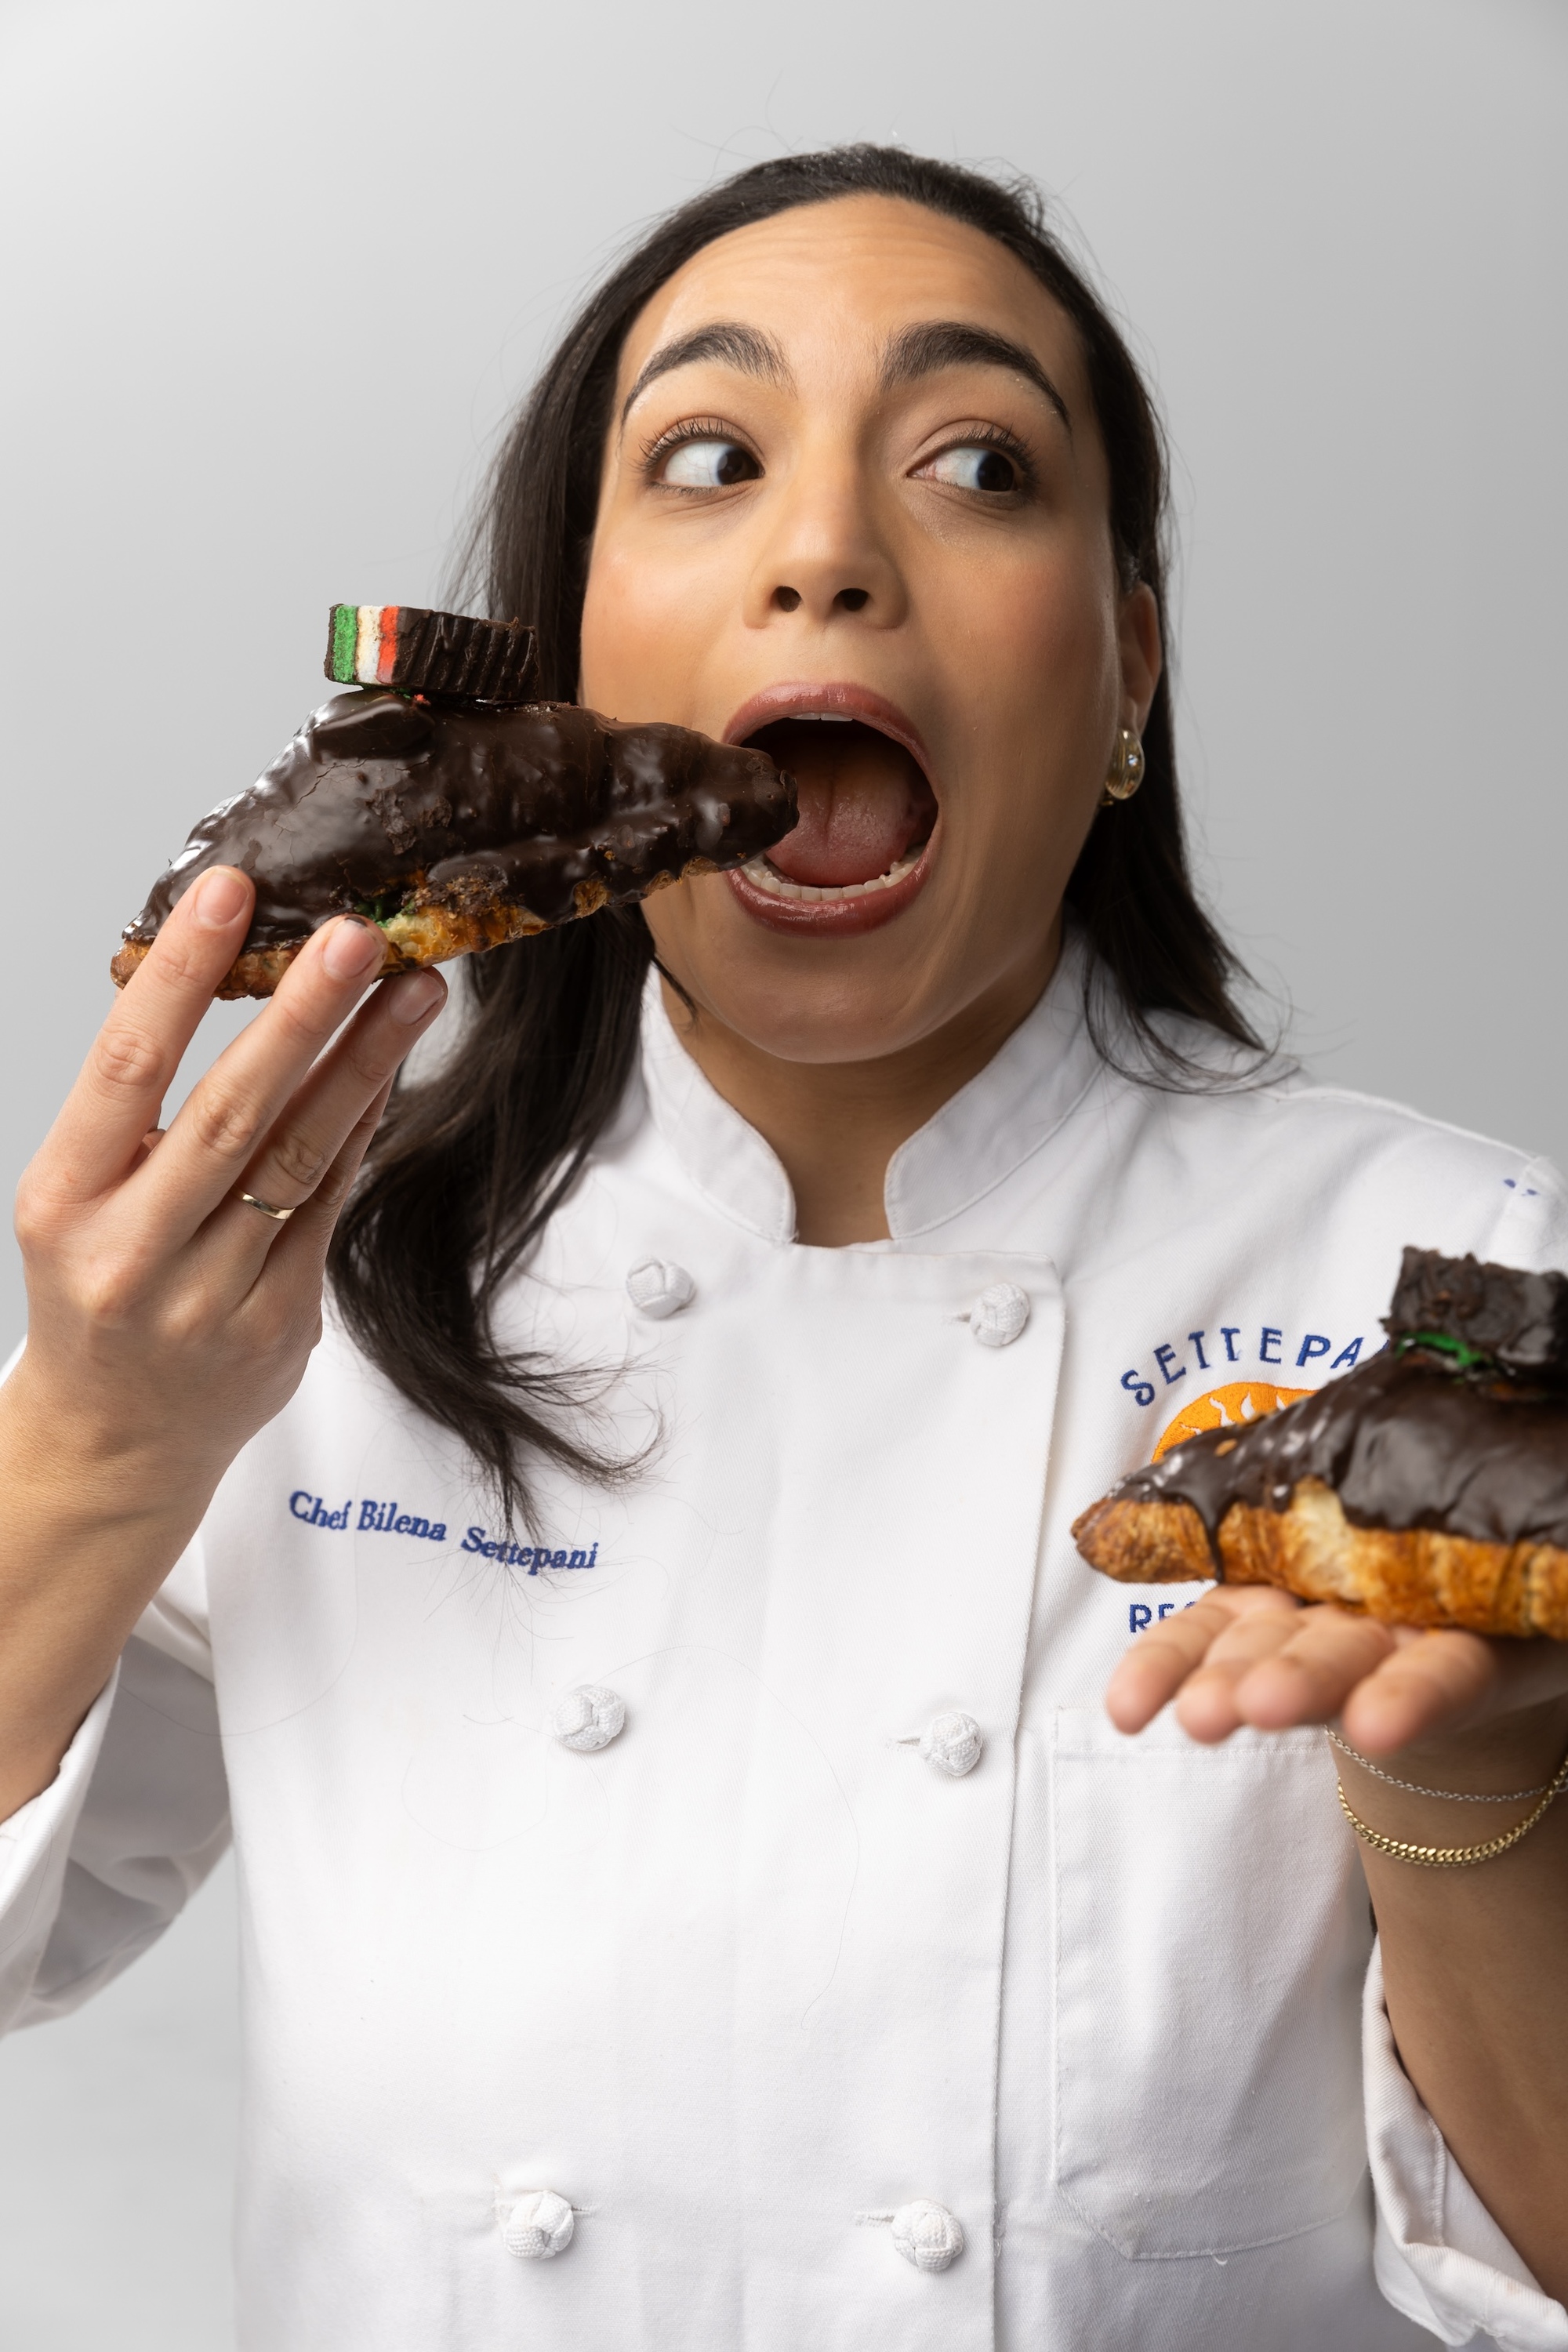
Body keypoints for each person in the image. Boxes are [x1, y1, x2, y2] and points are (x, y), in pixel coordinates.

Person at [0, 145, 1563, 2351]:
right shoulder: (293, 1289)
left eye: (977, 464)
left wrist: (1470, 1768)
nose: (827, 551)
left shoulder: (1458, 1296)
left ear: (1128, 672)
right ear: (568, 678)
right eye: (712, 459)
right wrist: (88, 1441)